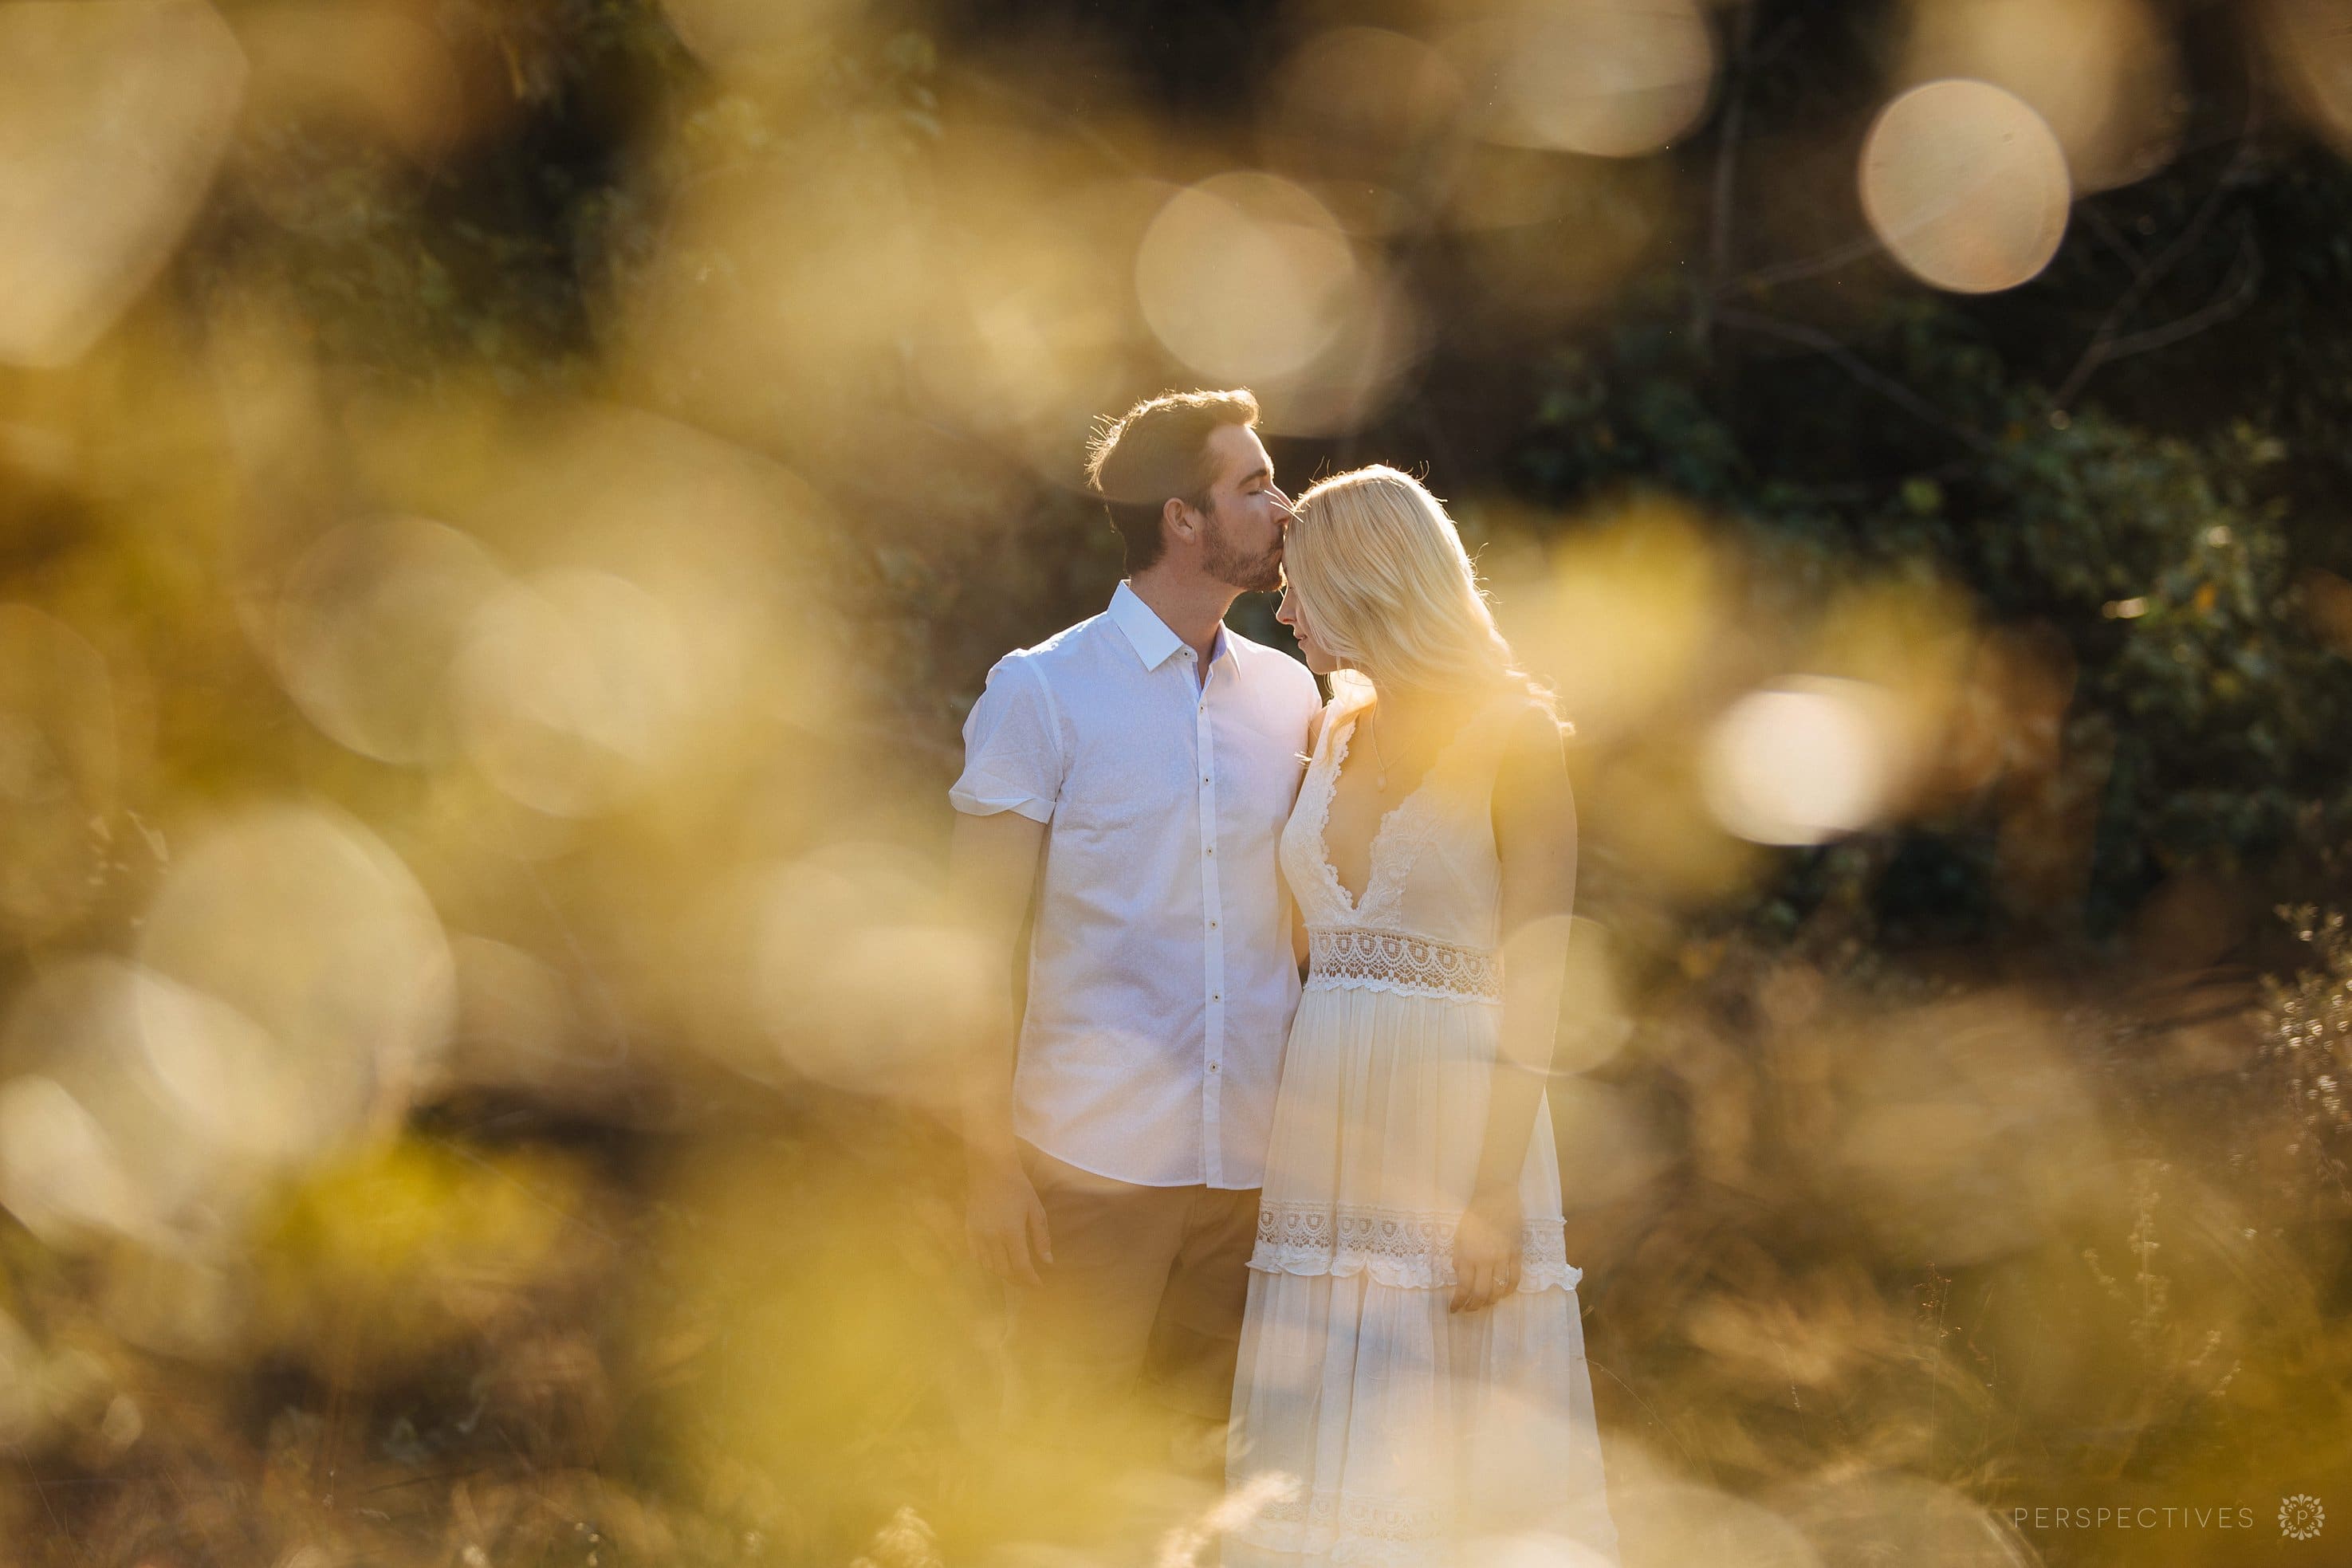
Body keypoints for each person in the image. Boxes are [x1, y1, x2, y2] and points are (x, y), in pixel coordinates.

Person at [1225, 466, 1619, 1567]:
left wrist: (1493, 1191)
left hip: (1457, 1136)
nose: (1285, 609)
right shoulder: (1329, 731)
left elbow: (1542, 981)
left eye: (1300, 586)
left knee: (1448, 1430)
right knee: (1322, 1426)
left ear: (1367, 582)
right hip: (1326, 1137)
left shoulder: (1513, 736)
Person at [947, 389, 1323, 1516]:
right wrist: (982, 1166)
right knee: (1055, 1477)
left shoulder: (1293, 694)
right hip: (1090, 1166)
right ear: (1180, 520)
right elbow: (966, 949)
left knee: (1210, 1486)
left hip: (1251, 1172)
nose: (1282, 506)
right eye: (1252, 486)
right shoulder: (1041, 691)